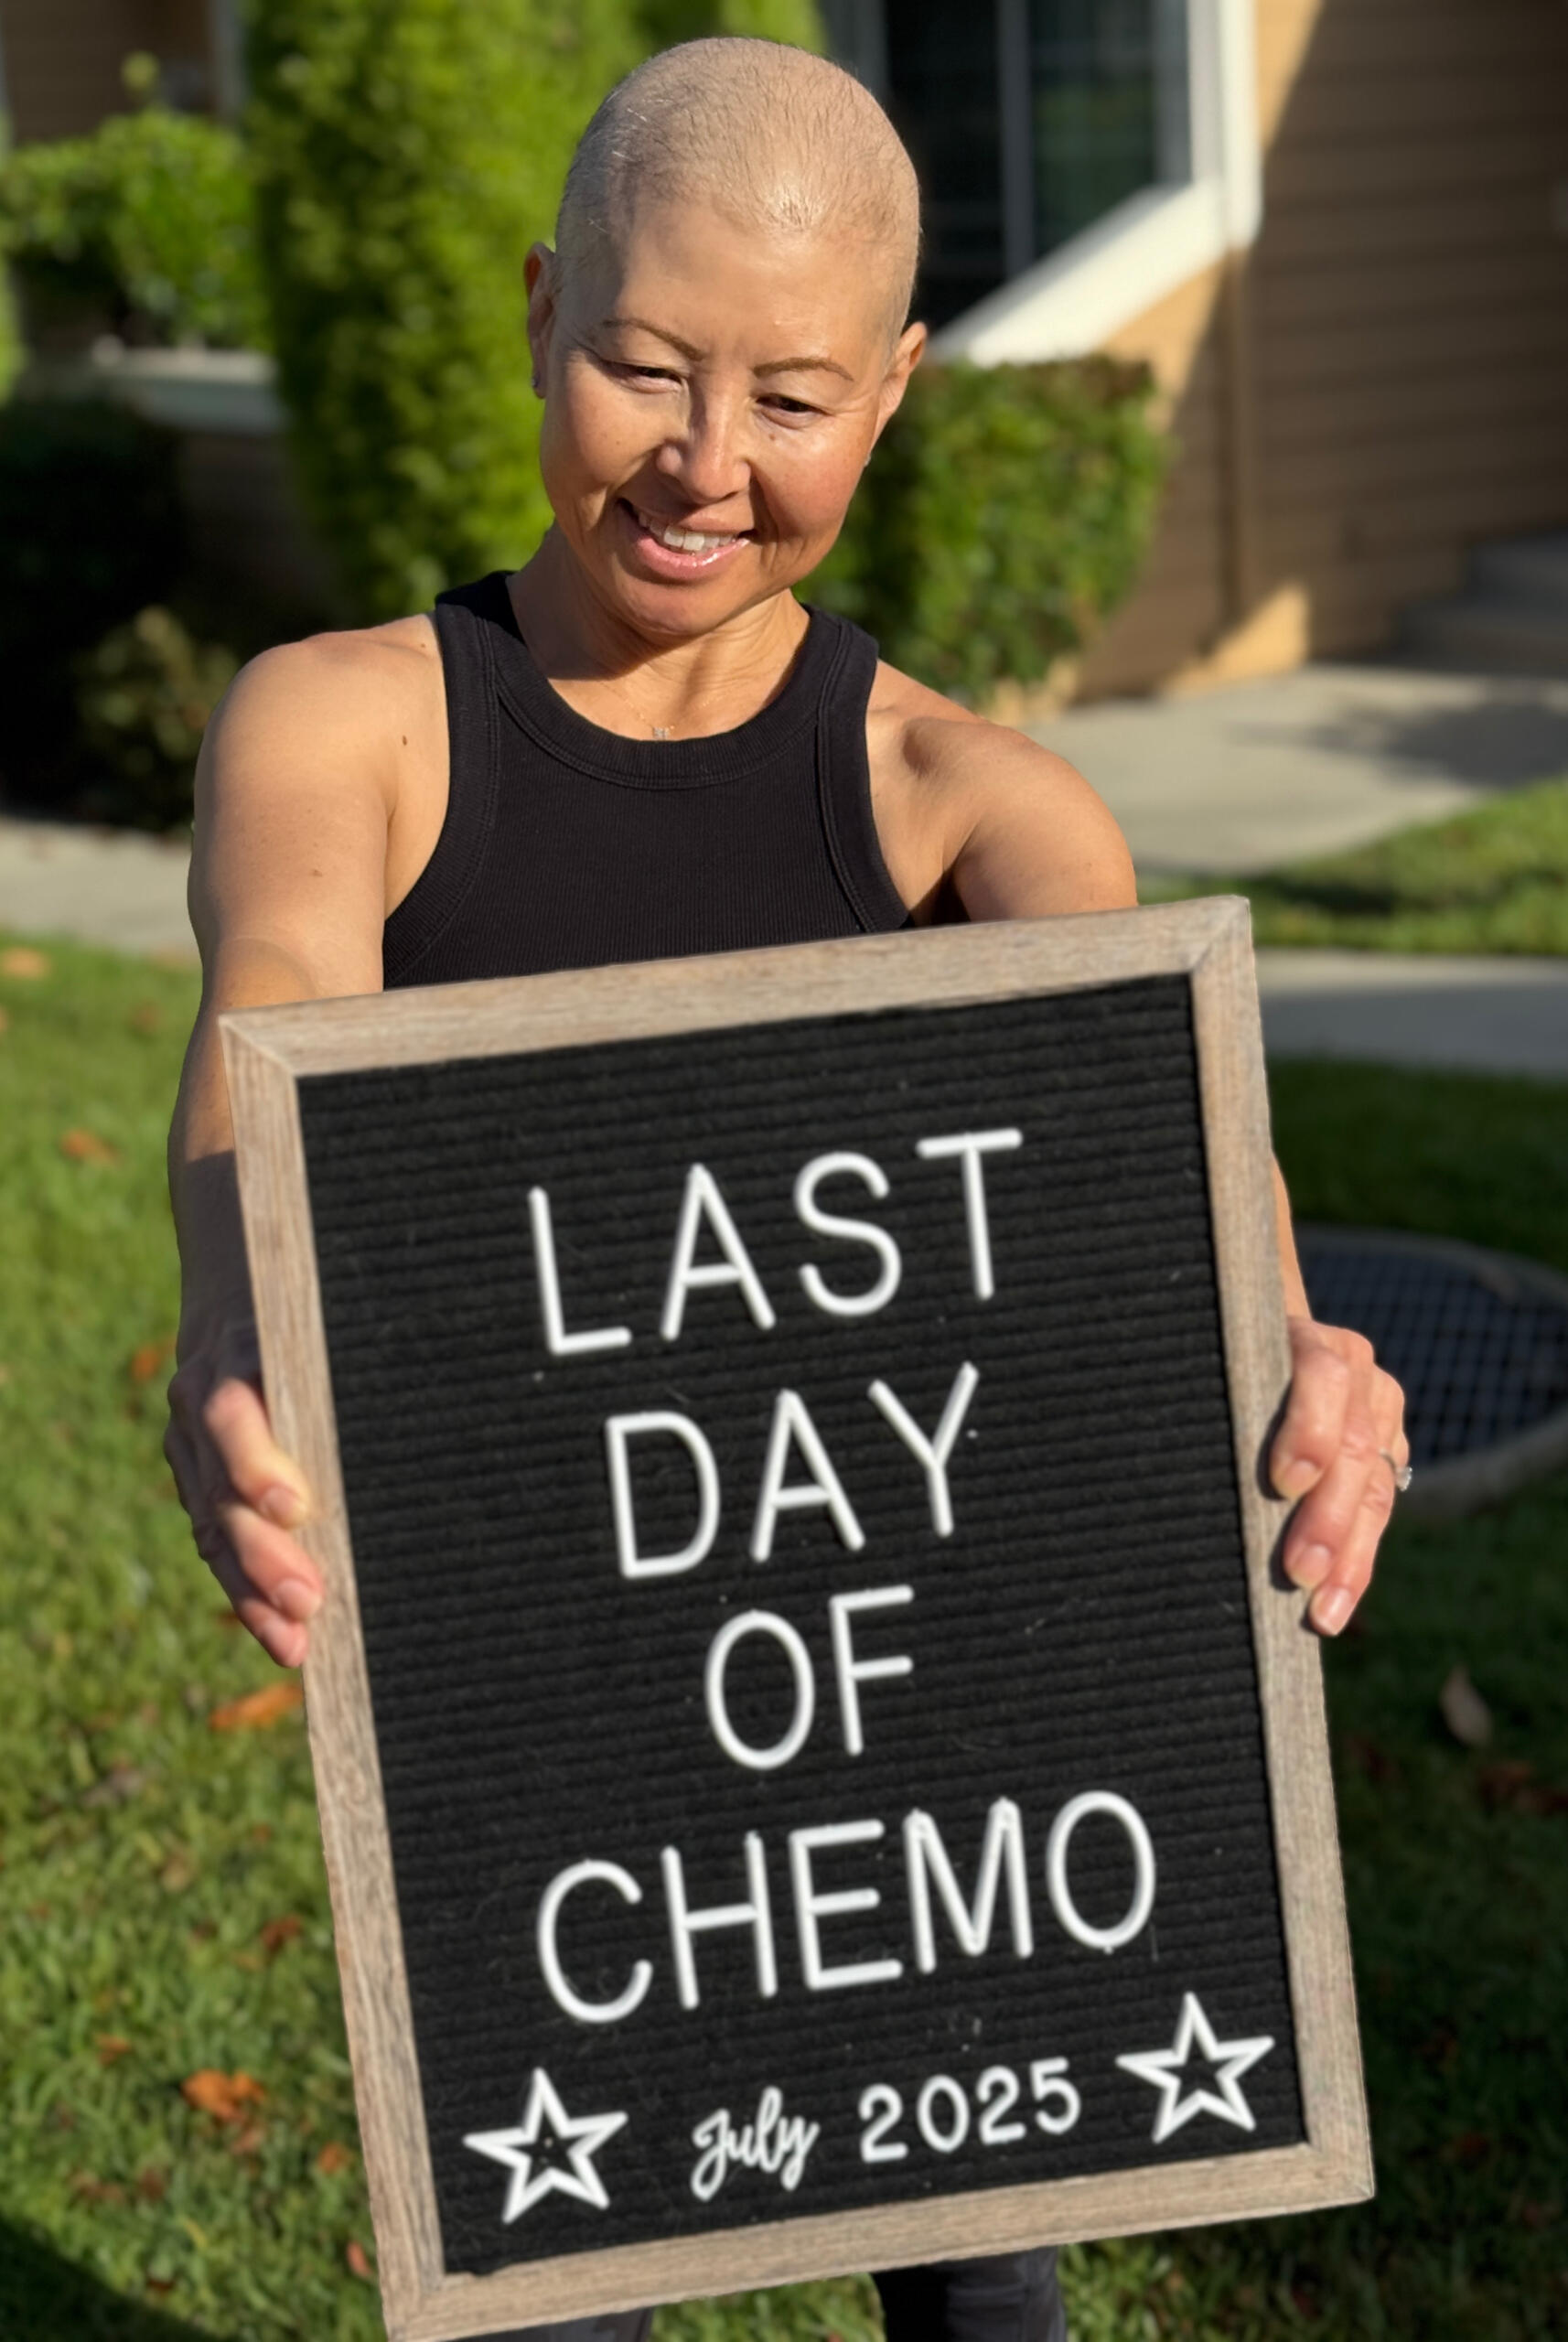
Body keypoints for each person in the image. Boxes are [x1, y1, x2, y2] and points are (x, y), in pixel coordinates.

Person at [165, 38, 1406, 2342]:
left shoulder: (973, 811)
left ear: (895, 388)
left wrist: (1300, 1349)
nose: (703, 461)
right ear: (542, 305)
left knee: (987, 2283)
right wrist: (241, 1307)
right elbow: (274, 1013)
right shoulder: (353, 725)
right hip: (545, 1766)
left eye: (793, 397)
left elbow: (1167, 1154)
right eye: (644, 365)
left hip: (940, 1783)